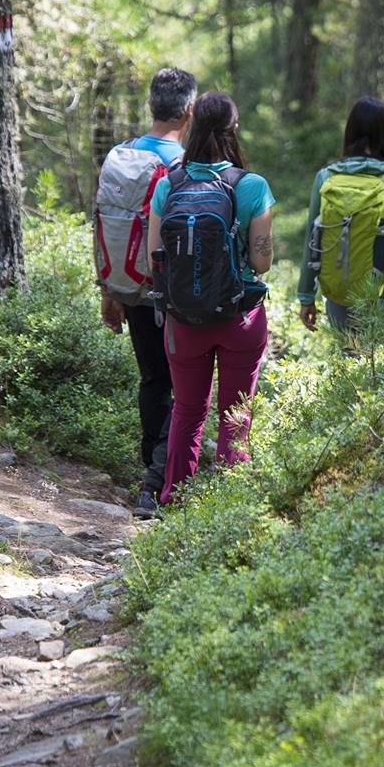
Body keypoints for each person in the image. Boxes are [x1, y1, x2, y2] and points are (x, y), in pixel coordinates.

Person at [146, 92, 275, 505]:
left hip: (184, 320)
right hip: (240, 320)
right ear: (233, 129)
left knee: (187, 411)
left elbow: (155, 258)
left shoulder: (170, 184)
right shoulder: (252, 185)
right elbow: (262, 261)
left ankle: (173, 500)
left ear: (192, 126)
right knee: (235, 415)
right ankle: (230, 504)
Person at [98, 66, 196, 520]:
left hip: (130, 285)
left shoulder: (122, 154)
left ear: (151, 107)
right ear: (190, 110)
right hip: (169, 294)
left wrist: (109, 288)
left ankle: (150, 468)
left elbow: (105, 223)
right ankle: (157, 482)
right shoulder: (183, 166)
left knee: (152, 378)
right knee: (181, 385)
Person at [298, 96, 384, 335]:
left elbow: (313, 240)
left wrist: (306, 296)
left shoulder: (326, 178)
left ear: (350, 131)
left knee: (349, 364)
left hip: (340, 298)